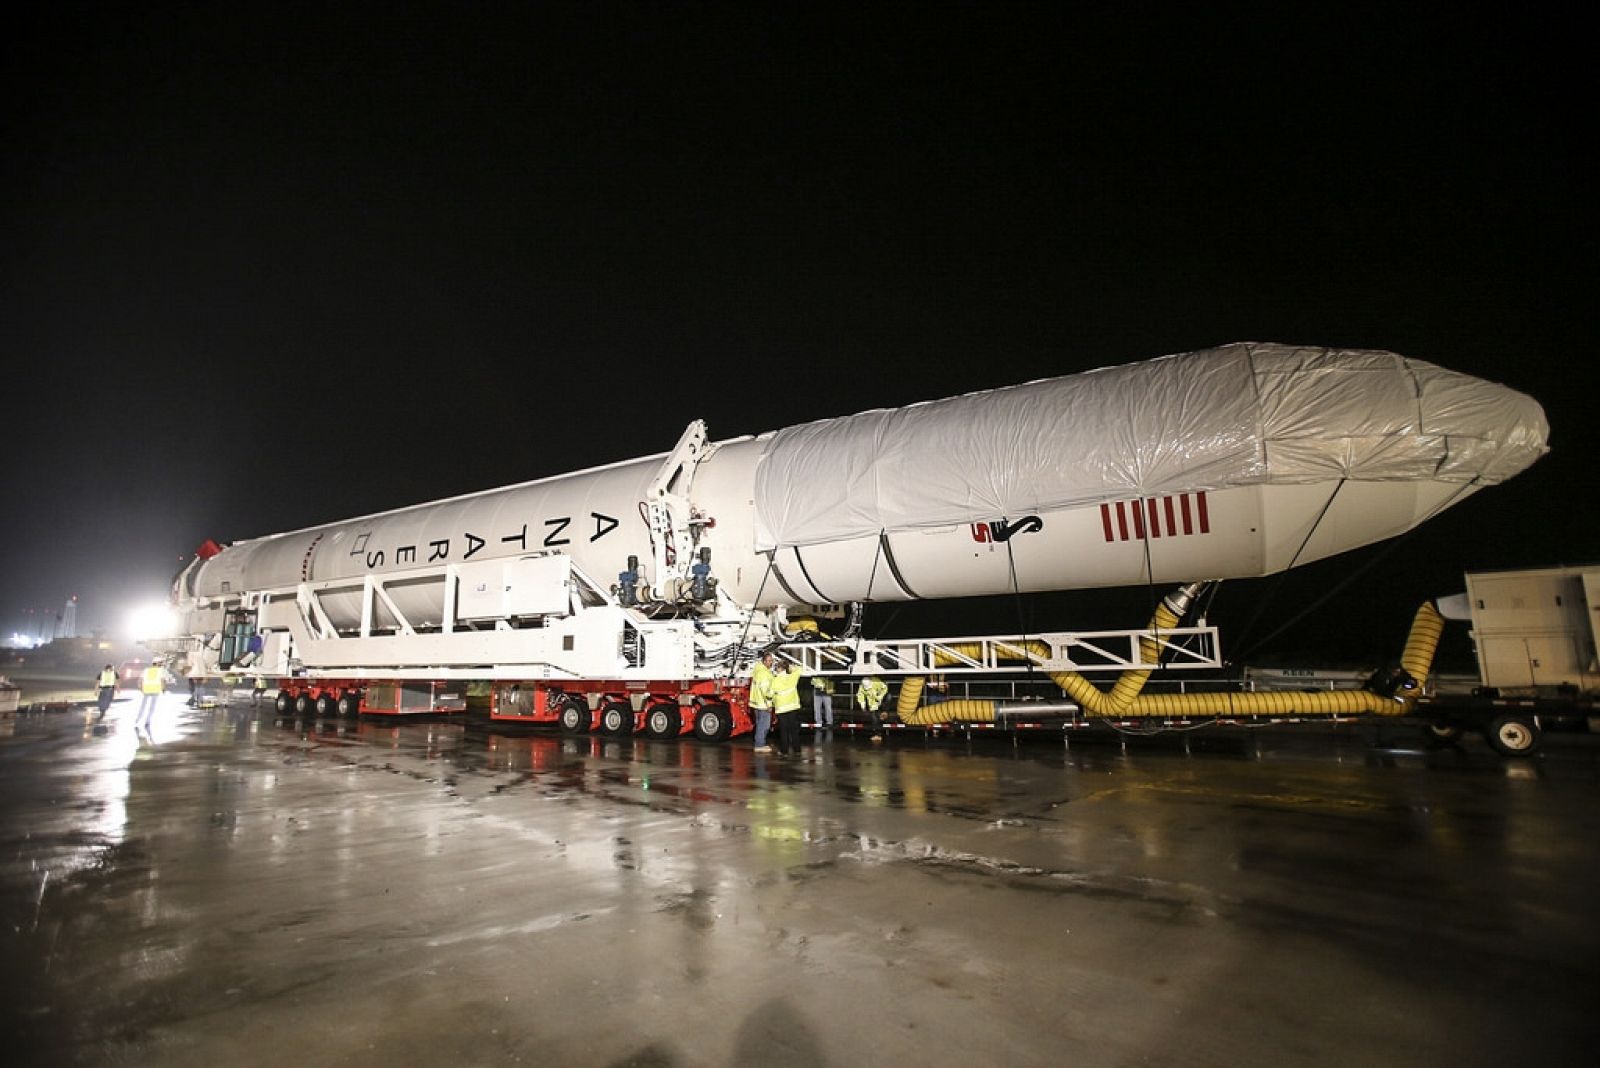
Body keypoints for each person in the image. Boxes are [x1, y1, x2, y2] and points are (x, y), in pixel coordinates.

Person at [769, 658, 804, 756]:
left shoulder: (775, 681)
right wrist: (790, 667)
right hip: (793, 707)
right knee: (794, 730)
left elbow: (769, 695)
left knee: (784, 731)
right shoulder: (792, 677)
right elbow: (799, 669)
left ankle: (785, 751)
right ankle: (797, 749)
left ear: (779, 669)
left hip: (781, 709)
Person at [749, 650, 776, 752]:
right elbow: (765, 690)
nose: (771, 663)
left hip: (756, 702)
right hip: (763, 703)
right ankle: (760, 744)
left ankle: (760, 743)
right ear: (764, 661)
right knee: (764, 725)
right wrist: (769, 704)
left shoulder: (757, 670)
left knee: (759, 723)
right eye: (769, 661)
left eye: (771, 661)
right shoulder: (764, 673)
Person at [857, 675, 889, 742]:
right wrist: (863, 707)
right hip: (872, 703)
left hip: (881, 698)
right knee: (874, 717)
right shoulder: (862, 687)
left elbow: (885, 688)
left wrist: (880, 696)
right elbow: (861, 697)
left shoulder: (876, 681)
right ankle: (877, 734)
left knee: (888, 697)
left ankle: (884, 712)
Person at [136, 659, 166, 727]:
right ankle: (147, 721)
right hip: (155, 690)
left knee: (143, 705)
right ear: (158, 665)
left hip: (146, 690)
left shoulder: (146, 670)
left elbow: (140, 680)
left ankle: (138, 719)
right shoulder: (160, 671)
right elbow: (162, 681)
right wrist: (163, 689)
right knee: (152, 707)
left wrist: (141, 689)